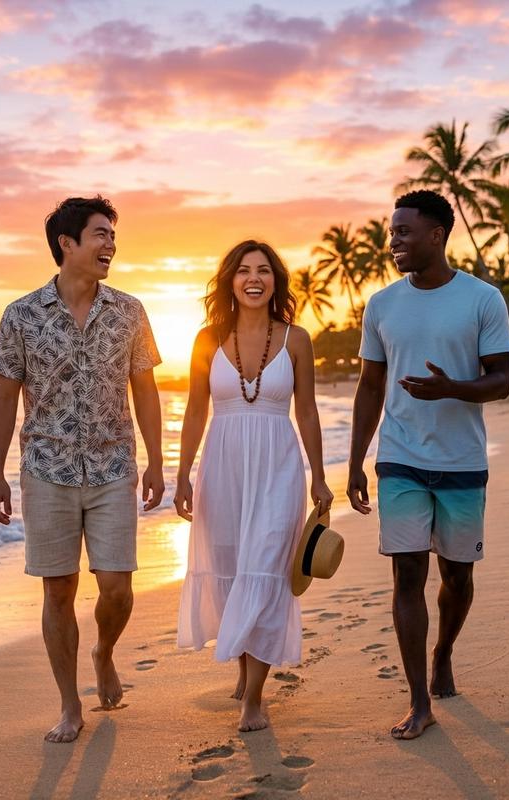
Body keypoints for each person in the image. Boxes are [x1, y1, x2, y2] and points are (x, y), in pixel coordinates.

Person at [0, 196, 164, 743]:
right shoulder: (21, 314)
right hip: (45, 469)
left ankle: (104, 652)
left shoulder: (130, 311)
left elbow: (146, 389)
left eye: (112, 234)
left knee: (117, 586)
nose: (111, 244)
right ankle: (69, 706)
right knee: (58, 590)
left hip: (113, 465)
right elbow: (4, 397)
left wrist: (159, 460)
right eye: (100, 234)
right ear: (67, 244)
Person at [347, 190, 509, 740]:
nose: (392, 241)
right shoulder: (382, 305)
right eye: (391, 232)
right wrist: (354, 463)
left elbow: (502, 379)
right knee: (407, 575)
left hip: (463, 460)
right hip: (400, 459)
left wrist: (450, 389)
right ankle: (419, 701)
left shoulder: (482, 299)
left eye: (403, 232)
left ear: (437, 234)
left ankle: (444, 651)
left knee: (457, 576)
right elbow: (370, 387)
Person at [174, 239, 333, 733]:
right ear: (231, 281)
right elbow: (196, 409)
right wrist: (181, 473)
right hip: (221, 469)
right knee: (229, 570)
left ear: (275, 281)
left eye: (263, 270)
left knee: (265, 571)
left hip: (278, 467)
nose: (253, 278)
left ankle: (254, 699)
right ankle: (245, 670)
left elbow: (306, 410)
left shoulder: (297, 339)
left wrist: (321, 477)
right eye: (243, 271)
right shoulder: (206, 339)